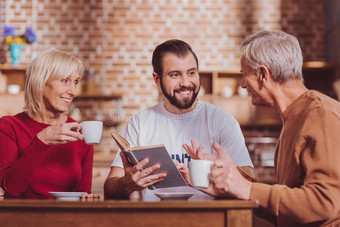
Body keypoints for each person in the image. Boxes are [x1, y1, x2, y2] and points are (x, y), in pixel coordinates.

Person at [184, 30, 340, 226]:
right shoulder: (293, 119)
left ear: (263, 75)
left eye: (244, 75)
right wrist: (230, 187)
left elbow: (324, 203)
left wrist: (246, 188)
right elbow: (285, 208)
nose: (242, 85)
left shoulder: (321, 114)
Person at [104, 39, 255, 200]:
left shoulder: (223, 122)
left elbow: (250, 185)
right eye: (175, 75)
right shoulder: (139, 123)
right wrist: (126, 184)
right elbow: (110, 191)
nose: (185, 82)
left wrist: (225, 169)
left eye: (191, 73)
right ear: (157, 79)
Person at [0, 49, 98, 199]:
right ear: (40, 83)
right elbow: (12, 188)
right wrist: (42, 141)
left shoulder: (79, 131)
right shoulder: (9, 127)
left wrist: (87, 199)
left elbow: (83, 193)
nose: (73, 91)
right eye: (65, 80)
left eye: (76, 82)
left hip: (66, 221)